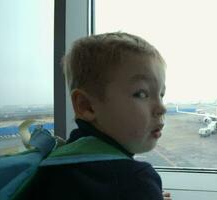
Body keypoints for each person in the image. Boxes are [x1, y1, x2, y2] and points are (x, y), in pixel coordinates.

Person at [29, 32, 172, 200]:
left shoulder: (59, 164)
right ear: (86, 106)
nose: (162, 108)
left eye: (161, 94)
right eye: (141, 94)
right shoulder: (133, 180)